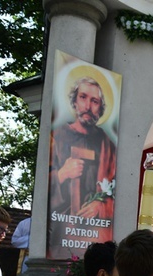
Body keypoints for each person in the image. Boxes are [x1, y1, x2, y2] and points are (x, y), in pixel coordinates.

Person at [50, 76, 116, 220]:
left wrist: (101, 205)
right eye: (83, 97)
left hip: (96, 227)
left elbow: (116, 186)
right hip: (61, 225)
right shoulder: (56, 136)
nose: (87, 107)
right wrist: (63, 174)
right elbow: (43, 184)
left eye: (94, 101)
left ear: (100, 108)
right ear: (74, 102)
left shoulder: (108, 145)